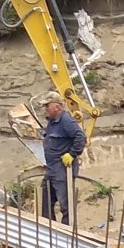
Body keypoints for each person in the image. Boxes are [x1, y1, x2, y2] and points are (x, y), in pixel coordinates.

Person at [39, 91, 87, 224]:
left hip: (62, 170)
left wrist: (72, 154)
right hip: (51, 169)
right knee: (46, 201)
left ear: (57, 107)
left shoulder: (66, 121)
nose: (45, 109)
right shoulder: (52, 122)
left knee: (66, 206)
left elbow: (80, 137)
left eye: (47, 105)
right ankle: (50, 232)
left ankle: (67, 236)